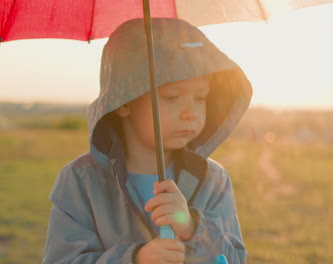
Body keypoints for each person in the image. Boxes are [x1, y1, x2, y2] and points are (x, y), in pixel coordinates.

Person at [43, 18, 252, 264]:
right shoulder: (81, 181)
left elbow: (235, 260)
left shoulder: (212, 179)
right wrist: (135, 259)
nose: (190, 113)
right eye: (172, 97)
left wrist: (192, 229)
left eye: (200, 98)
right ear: (124, 103)